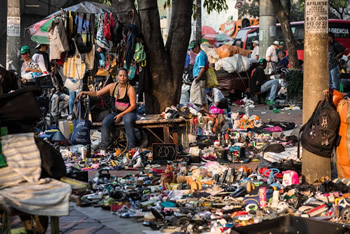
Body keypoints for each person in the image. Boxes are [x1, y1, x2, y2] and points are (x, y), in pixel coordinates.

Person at [77, 68, 137, 155]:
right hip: (116, 112)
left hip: (129, 112)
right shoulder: (112, 86)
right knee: (105, 122)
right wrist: (84, 92)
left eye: (124, 75)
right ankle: (103, 149)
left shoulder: (130, 89)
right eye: (120, 75)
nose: (122, 78)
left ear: (127, 77)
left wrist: (121, 115)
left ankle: (132, 148)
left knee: (127, 121)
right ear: (117, 77)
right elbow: (97, 93)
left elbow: (133, 105)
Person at [189, 40, 209, 111]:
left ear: (197, 47)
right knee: (202, 97)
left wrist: (197, 78)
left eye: (193, 48)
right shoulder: (202, 54)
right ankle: (207, 113)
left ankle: (201, 113)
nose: (192, 50)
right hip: (201, 78)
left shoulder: (200, 55)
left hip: (199, 78)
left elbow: (202, 68)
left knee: (197, 98)